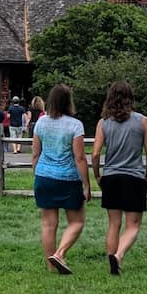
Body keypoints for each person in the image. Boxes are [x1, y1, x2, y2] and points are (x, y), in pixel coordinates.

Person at [92, 80, 147, 276]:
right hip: (134, 177)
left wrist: (97, 176)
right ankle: (118, 256)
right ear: (131, 98)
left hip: (110, 177)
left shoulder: (103, 123)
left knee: (113, 223)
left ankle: (111, 259)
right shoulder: (142, 121)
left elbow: (94, 155)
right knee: (133, 225)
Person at [32, 83, 91, 275]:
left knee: (48, 224)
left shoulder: (41, 123)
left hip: (44, 176)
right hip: (68, 178)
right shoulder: (75, 125)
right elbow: (80, 158)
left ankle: (51, 266)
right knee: (77, 222)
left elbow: (35, 154)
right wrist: (87, 184)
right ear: (69, 102)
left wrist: (37, 174)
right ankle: (60, 253)